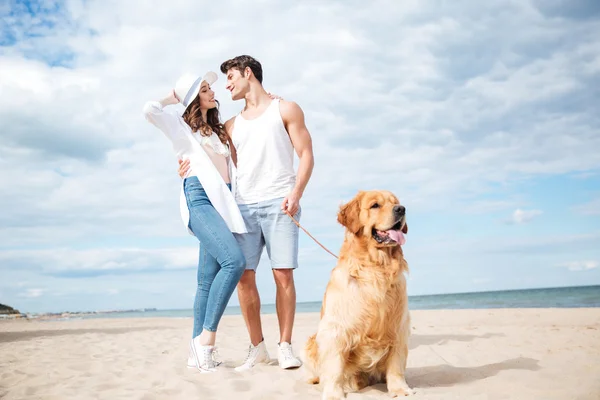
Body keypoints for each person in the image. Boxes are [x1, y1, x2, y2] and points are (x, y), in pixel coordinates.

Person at [178, 55, 315, 371]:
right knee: (244, 278)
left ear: (248, 73)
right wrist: (184, 168)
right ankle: (258, 348)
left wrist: (296, 194)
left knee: (283, 274)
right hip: (241, 208)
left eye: (230, 78)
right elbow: (210, 157)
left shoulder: (286, 109)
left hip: (281, 203)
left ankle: (284, 346)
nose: (225, 86)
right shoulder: (229, 126)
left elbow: (306, 154)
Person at [143, 71, 248, 373]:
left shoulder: (215, 132)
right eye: (204, 89)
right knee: (234, 262)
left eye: (209, 88)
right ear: (193, 99)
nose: (212, 92)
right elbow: (149, 110)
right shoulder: (180, 128)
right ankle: (206, 342)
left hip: (223, 205)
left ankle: (195, 352)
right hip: (200, 199)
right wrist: (174, 97)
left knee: (205, 281)